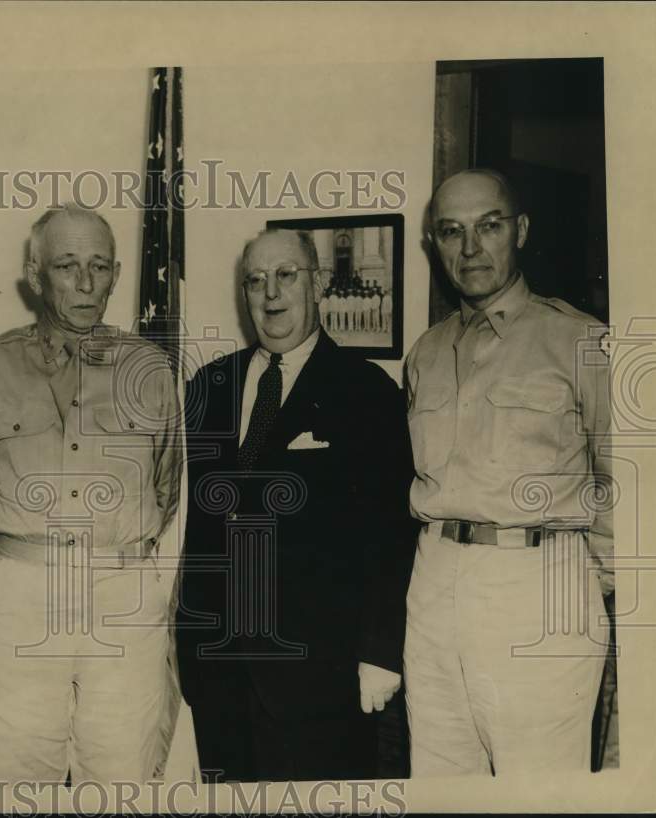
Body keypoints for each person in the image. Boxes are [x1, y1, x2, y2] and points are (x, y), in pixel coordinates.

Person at [0, 203, 181, 784]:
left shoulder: (149, 369)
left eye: (99, 266)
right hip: (21, 591)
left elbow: (169, 485)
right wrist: (20, 556)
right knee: (17, 780)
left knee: (123, 778)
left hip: (123, 595)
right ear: (34, 273)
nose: (85, 282)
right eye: (67, 265)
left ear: (118, 275)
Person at [176, 228, 417, 781]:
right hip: (219, 672)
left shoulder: (366, 391)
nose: (270, 294)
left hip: (321, 676)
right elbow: (194, 527)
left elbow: (390, 534)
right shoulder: (209, 386)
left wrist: (380, 653)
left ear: (320, 283)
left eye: (286, 276)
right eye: (255, 281)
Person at [403, 168, 613, 776]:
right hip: (436, 579)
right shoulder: (426, 352)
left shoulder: (581, 342)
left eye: (488, 226)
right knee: (442, 779)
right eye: (451, 232)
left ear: (518, 230)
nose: (470, 249)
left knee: (539, 786)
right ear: (434, 244)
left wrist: (583, 586)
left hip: (540, 581)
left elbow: (628, 486)